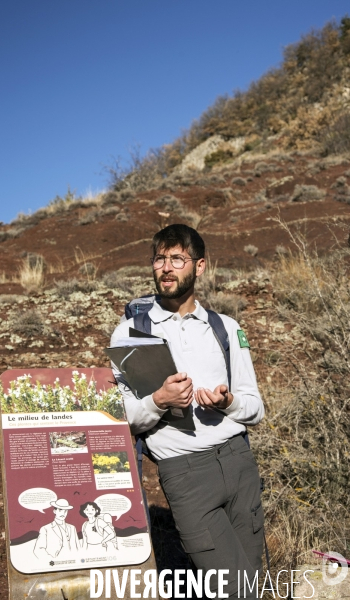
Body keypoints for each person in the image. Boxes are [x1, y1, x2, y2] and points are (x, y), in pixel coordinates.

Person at [110, 224, 265, 599]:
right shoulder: (129, 333)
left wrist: (228, 403)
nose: (166, 267)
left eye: (177, 258)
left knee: (252, 585)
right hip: (185, 473)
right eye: (160, 258)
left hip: (239, 463)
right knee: (234, 591)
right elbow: (122, 418)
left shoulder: (225, 328)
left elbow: (256, 408)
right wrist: (158, 400)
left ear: (199, 267)